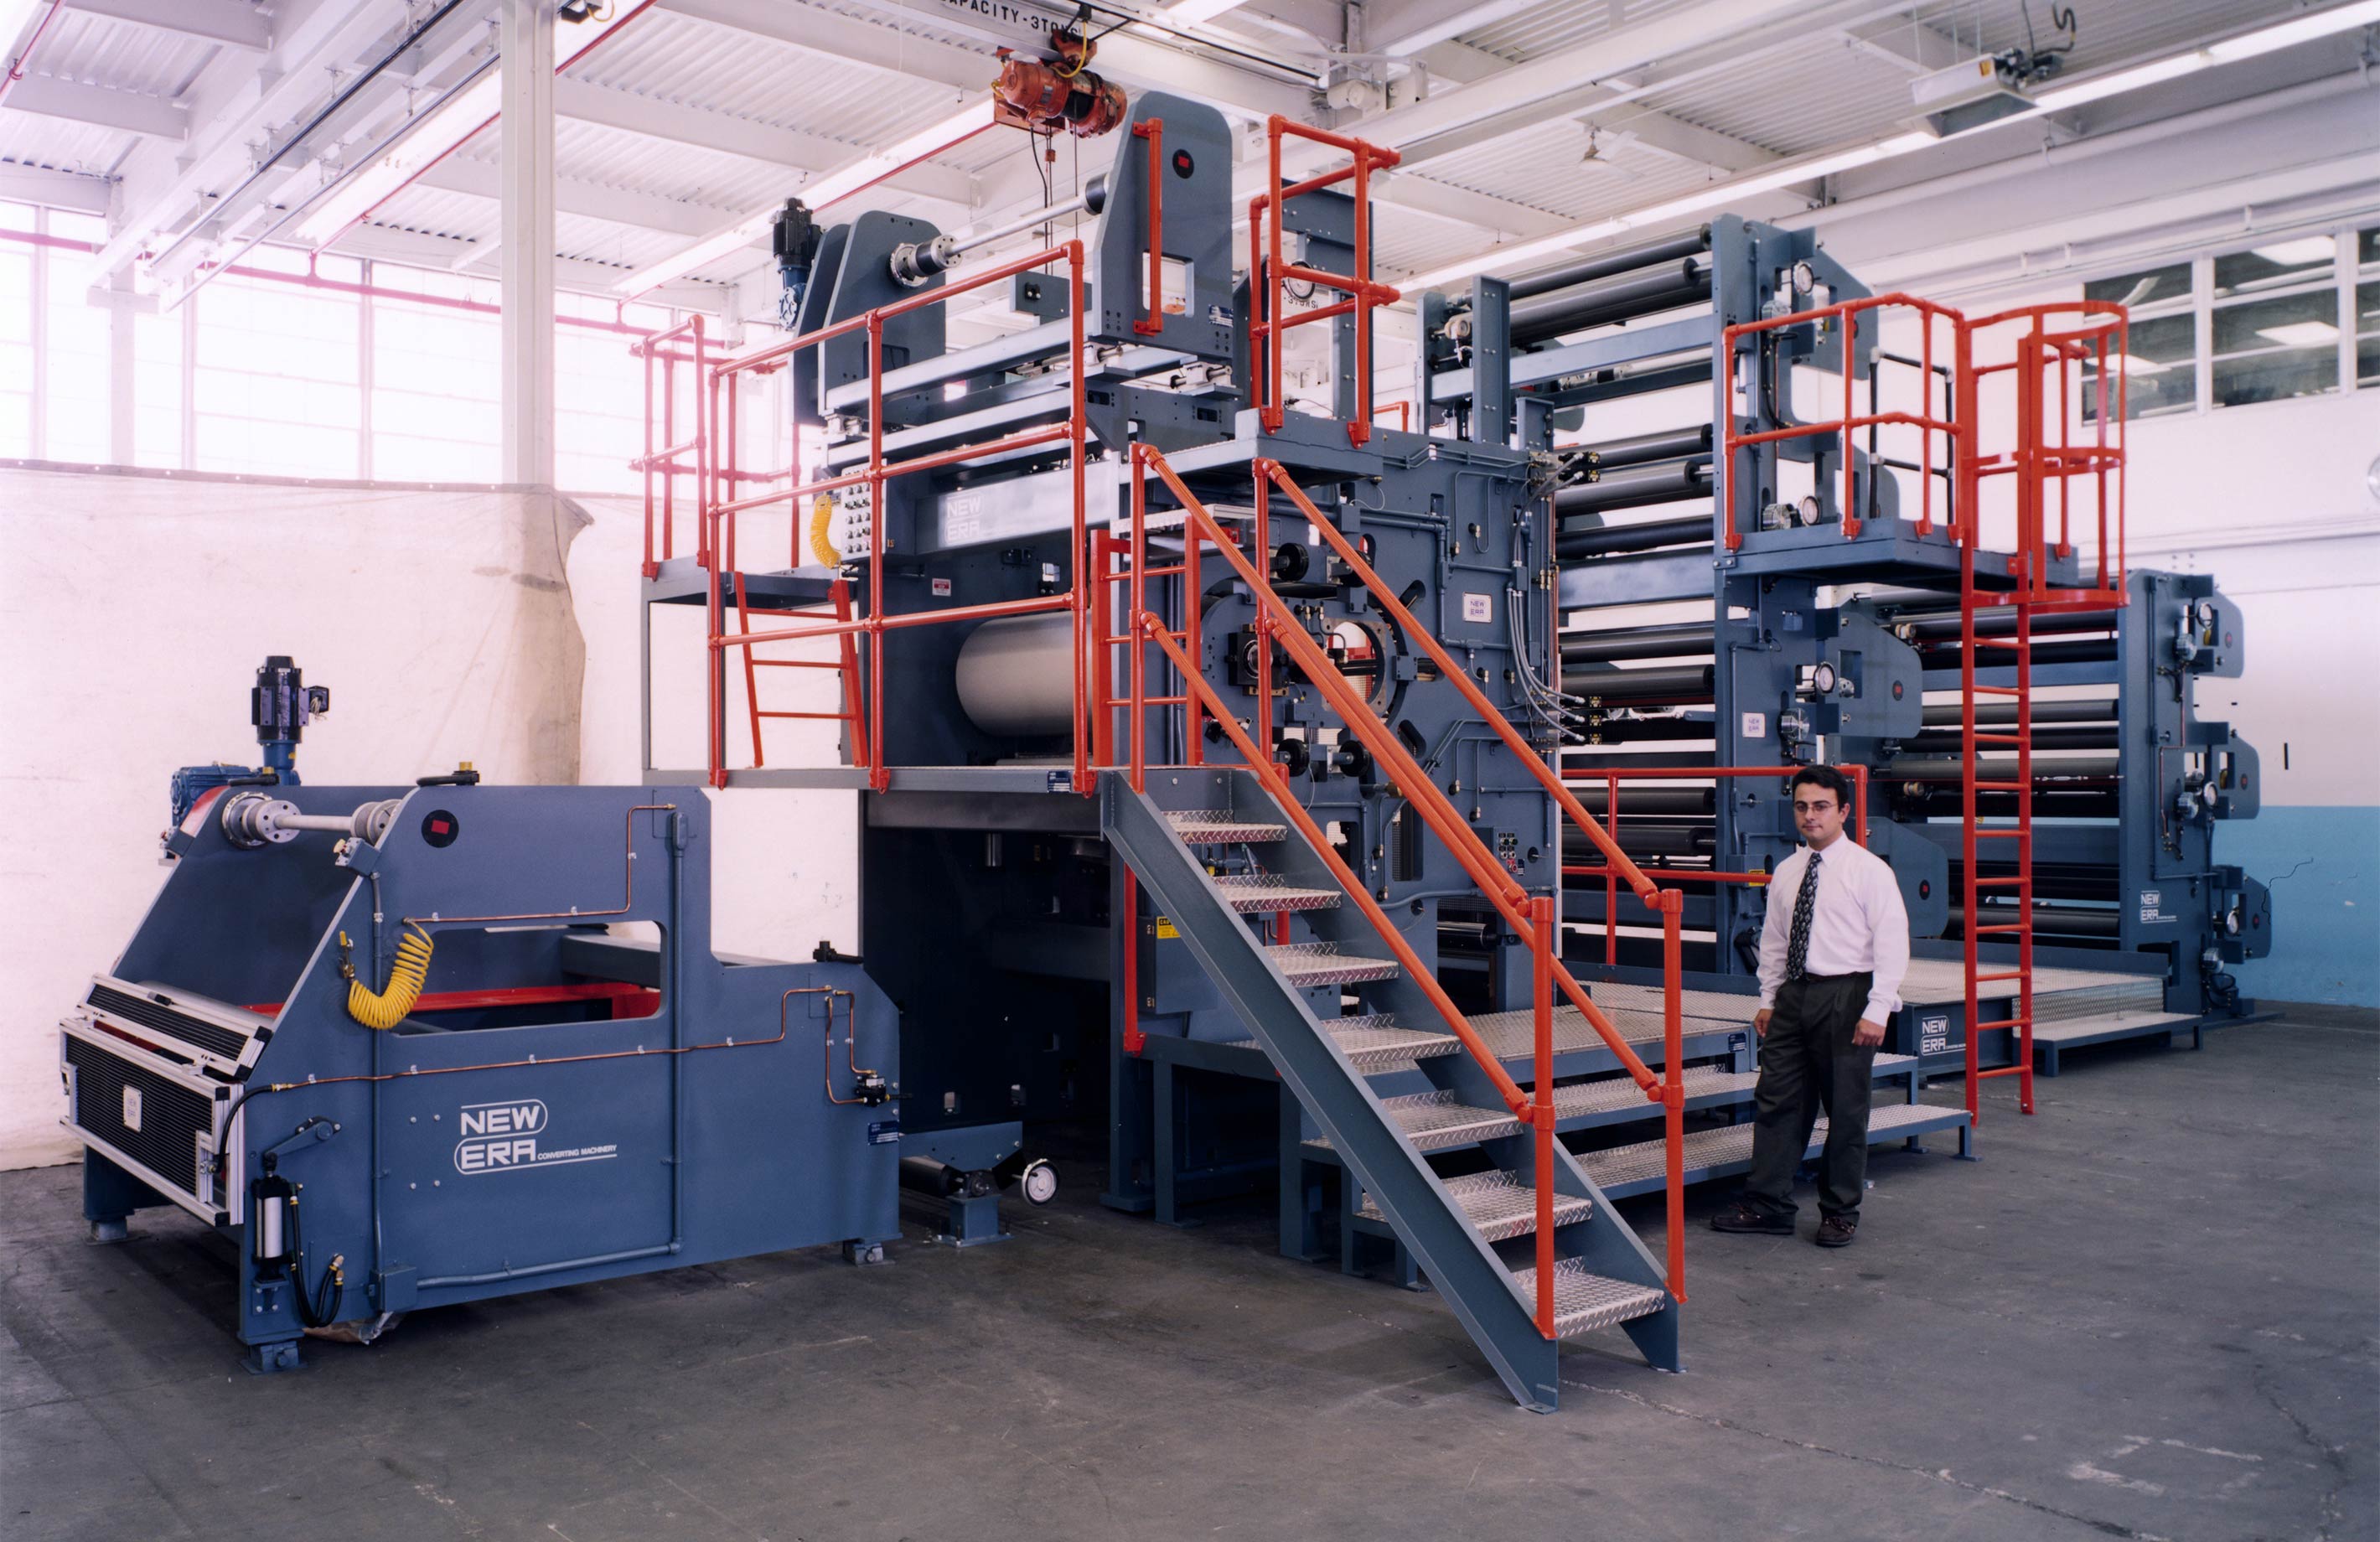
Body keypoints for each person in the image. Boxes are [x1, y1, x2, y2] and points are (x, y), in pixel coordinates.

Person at [1709, 764, 1909, 1248]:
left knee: (1845, 1108)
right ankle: (1768, 1204)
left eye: (1821, 806)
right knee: (1777, 1099)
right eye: (1801, 807)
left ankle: (1840, 1211)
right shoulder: (1788, 871)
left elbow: (1893, 943)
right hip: (1794, 995)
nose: (1810, 816)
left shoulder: (1870, 872)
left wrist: (1878, 1008)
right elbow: (1775, 941)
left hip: (1848, 996)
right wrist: (1769, 998)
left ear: (1844, 811)